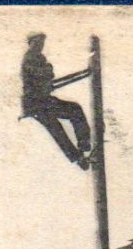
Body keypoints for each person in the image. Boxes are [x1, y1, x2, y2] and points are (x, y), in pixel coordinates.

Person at [21, 33, 93, 170]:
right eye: (37, 42)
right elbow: (44, 74)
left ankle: (83, 149)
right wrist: (48, 72)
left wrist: (47, 76)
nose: (40, 45)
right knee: (59, 126)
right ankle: (80, 153)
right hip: (36, 103)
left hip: (42, 100)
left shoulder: (38, 58)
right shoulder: (30, 57)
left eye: (42, 42)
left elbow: (47, 76)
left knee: (71, 113)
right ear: (31, 43)